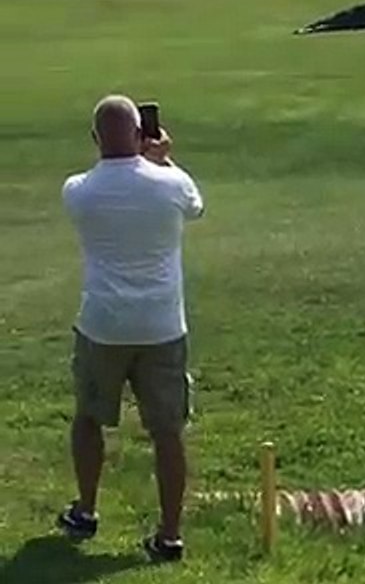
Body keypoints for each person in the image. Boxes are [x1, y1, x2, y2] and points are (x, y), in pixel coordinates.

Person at [57, 94, 205, 563]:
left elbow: (102, 183)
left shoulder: (78, 190)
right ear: (143, 135)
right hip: (162, 324)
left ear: (95, 138)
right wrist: (162, 160)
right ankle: (169, 534)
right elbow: (194, 206)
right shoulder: (171, 183)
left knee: (88, 417)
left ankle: (85, 509)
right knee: (168, 431)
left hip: (103, 324)